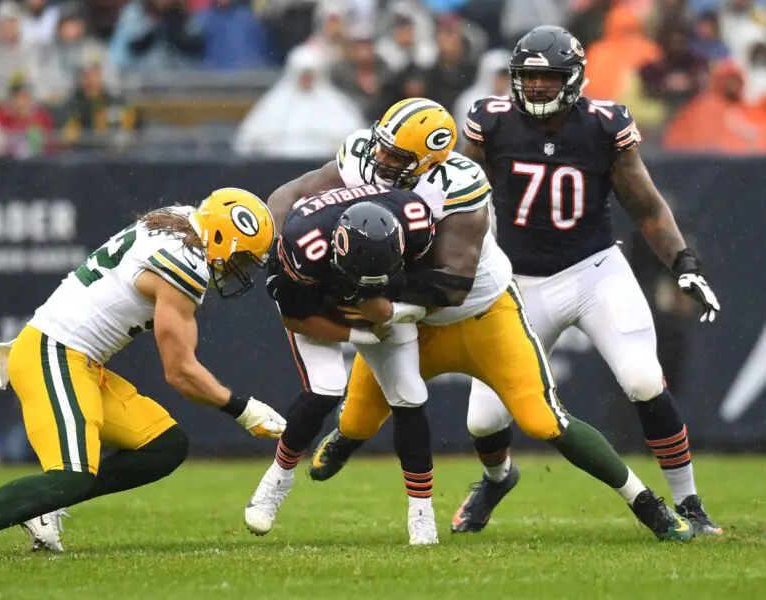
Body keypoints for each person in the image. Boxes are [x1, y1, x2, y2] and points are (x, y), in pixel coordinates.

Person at [259, 97, 693, 544]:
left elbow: (452, 284)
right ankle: (347, 437)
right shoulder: (363, 157)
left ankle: (648, 505)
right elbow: (292, 195)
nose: (381, 160)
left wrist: (385, 307)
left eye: (396, 157)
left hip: (481, 315)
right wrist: (275, 240)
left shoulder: (460, 185)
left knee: (545, 420)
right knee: (355, 422)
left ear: (427, 161)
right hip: (414, 325)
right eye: (382, 147)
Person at [0, 188, 286, 558]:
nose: (242, 271)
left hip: (80, 362)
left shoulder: (182, 220)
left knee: (165, 446)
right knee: (68, 476)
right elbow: (180, 372)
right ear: (220, 237)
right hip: (53, 353)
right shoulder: (184, 266)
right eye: (243, 259)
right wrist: (242, 409)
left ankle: (43, 506)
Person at [447, 26, 720, 536]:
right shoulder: (490, 122)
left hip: (593, 271)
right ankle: (496, 479)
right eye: (528, 78)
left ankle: (689, 504)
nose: (537, 88)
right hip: (517, 283)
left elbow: (646, 205)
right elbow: (461, 198)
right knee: (483, 420)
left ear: (572, 80)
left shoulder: (603, 125)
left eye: (549, 79)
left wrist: (683, 263)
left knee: (643, 379)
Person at [245, 188, 440, 545]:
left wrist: (391, 312)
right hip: (319, 308)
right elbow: (295, 318)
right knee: (326, 388)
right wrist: (362, 335)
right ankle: (276, 481)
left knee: (410, 394)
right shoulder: (302, 245)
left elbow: (437, 290)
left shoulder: (415, 219)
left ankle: (422, 513)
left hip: (386, 307)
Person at [233, 46, 366, 158]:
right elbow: (247, 141)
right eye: (303, 75)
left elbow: (355, 142)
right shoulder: (273, 105)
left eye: (310, 75)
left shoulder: (337, 106)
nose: (306, 79)